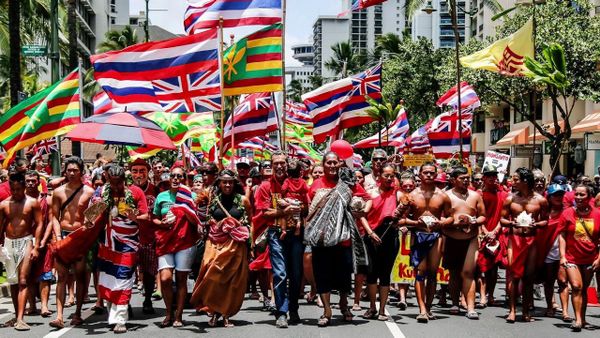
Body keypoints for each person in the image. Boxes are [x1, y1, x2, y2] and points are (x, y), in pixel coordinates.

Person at [306, 151, 369, 327]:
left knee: (343, 276)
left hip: (343, 239)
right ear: (323, 165)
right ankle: (327, 311)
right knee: (322, 275)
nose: (332, 166)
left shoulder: (347, 182)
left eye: (335, 163)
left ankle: (344, 304)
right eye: (329, 163)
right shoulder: (316, 185)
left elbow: (366, 199)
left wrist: (361, 210)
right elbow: (310, 211)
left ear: (340, 164)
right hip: (321, 240)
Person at [191, 169, 252, 327]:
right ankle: (211, 309)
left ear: (235, 183)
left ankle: (224, 314)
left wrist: (249, 243)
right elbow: (201, 214)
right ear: (219, 183)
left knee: (232, 281)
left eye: (230, 182)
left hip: (236, 245)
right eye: (224, 182)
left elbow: (250, 221)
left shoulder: (243, 200)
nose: (227, 185)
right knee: (212, 274)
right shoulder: (212, 198)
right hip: (215, 243)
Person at [93, 165, 148, 333]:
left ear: (124, 180)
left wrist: (135, 216)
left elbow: (146, 216)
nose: (116, 187)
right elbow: (91, 215)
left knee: (123, 278)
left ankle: (121, 320)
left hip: (129, 243)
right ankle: (113, 317)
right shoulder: (103, 192)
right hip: (108, 243)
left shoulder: (136, 192)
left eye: (119, 183)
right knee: (109, 278)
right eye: (112, 182)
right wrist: (90, 218)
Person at [254, 151, 304, 328]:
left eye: (283, 162)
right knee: (280, 273)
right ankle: (281, 312)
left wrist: (300, 208)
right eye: (276, 163)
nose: (280, 166)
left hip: (297, 235)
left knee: (296, 274)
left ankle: (294, 308)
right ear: (271, 166)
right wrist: (285, 211)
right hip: (276, 234)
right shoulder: (265, 187)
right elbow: (265, 213)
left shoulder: (297, 183)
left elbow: (307, 203)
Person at [403, 162, 453, 323]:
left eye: (432, 173)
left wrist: (441, 223)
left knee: (432, 273)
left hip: (436, 236)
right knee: (420, 272)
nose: (429, 175)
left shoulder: (443, 196)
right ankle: (422, 309)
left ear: (436, 174)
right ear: (420, 174)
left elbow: (451, 216)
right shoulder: (411, 195)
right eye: (426, 173)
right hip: (418, 235)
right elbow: (401, 218)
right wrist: (415, 223)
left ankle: (429, 307)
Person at [50, 156, 95, 329]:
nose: (71, 173)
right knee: (61, 276)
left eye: (75, 170)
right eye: (69, 170)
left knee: (80, 275)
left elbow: (93, 216)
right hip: (63, 234)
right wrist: (58, 237)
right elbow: (54, 216)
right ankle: (59, 316)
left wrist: (89, 224)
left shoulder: (90, 192)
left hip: (81, 236)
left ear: (81, 172)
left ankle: (77, 313)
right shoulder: (58, 192)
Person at [152, 166, 200, 328]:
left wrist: (186, 210)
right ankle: (168, 312)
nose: (175, 179)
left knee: (181, 280)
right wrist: (162, 224)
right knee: (165, 279)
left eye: (179, 176)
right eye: (173, 176)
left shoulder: (191, 196)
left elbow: (197, 222)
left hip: (185, 242)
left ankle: (178, 315)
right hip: (165, 241)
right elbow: (154, 219)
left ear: (184, 180)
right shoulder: (161, 196)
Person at [500, 167, 549, 323]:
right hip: (514, 239)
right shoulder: (510, 199)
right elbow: (502, 220)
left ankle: (526, 311)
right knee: (514, 276)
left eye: (516, 179)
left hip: (531, 240)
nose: (512, 182)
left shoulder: (540, 200)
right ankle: (513, 310)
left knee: (528, 277)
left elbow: (545, 220)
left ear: (525, 181)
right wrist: (511, 222)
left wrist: (536, 224)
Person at [0, 173, 43, 330]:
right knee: (13, 281)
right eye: (13, 189)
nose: (16, 192)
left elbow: (39, 224)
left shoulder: (32, 203)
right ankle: (16, 314)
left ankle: (20, 318)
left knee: (23, 280)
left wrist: (36, 246)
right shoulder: (4, 204)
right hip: (9, 243)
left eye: (19, 189)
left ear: (24, 187)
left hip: (26, 241)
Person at [443, 167, 486, 319]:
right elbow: (441, 218)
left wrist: (473, 221)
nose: (466, 180)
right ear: (453, 180)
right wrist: (453, 223)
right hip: (451, 238)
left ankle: (471, 307)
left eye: (467, 177)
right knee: (454, 273)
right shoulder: (445, 196)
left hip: (471, 239)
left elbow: (482, 216)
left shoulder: (475, 196)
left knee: (468, 273)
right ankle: (455, 303)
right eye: (462, 178)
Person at [360, 164, 401, 321]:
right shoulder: (371, 193)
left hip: (390, 237)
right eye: (386, 175)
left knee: (385, 274)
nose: (389, 178)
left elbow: (405, 209)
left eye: (392, 175)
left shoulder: (397, 194)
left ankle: (382, 310)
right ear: (379, 176)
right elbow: (362, 215)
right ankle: (372, 307)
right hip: (372, 237)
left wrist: (400, 219)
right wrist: (370, 233)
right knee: (371, 273)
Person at [559, 184, 600, 331]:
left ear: (589, 197)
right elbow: (562, 235)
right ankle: (576, 319)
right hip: (572, 258)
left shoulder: (597, 214)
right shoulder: (567, 213)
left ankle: (582, 319)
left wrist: (598, 259)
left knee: (584, 290)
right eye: (576, 194)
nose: (578, 197)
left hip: (590, 258)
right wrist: (562, 256)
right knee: (576, 287)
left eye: (582, 195)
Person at [536, 184, 570, 321]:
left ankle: (566, 312)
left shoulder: (568, 211)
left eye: (561, 195)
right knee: (549, 281)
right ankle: (550, 306)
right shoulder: (543, 213)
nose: (558, 197)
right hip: (547, 252)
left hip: (564, 253)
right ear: (549, 197)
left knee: (563, 281)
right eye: (555, 195)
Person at [130, 158, 159, 315]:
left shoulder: (156, 190)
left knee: (149, 272)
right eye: (135, 171)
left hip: (149, 237)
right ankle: (125, 302)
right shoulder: (125, 191)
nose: (139, 174)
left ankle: (147, 299)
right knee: (127, 272)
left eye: (142, 171)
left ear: (148, 173)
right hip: (129, 238)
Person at [476, 165, 507, 307]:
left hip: (497, 233)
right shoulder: (478, 195)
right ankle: (482, 295)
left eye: (494, 176)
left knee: (494, 268)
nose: (492, 178)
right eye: (489, 176)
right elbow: (476, 215)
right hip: (481, 233)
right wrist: (484, 231)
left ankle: (491, 294)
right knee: (481, 267)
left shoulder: (504, 195)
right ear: (484, 178)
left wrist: (495, 231)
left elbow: (504, 216)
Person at [24, 171, 53, 318]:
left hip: (44, 242)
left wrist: (43, 240)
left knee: (45, 275)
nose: (30, 183)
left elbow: (51, 221)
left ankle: (44, 306)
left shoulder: (46, 199)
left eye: (33, 181)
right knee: (27, 275)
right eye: (28, 181)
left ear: (38, 182)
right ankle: (32, 305)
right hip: (26, 241)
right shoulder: (20, 200)